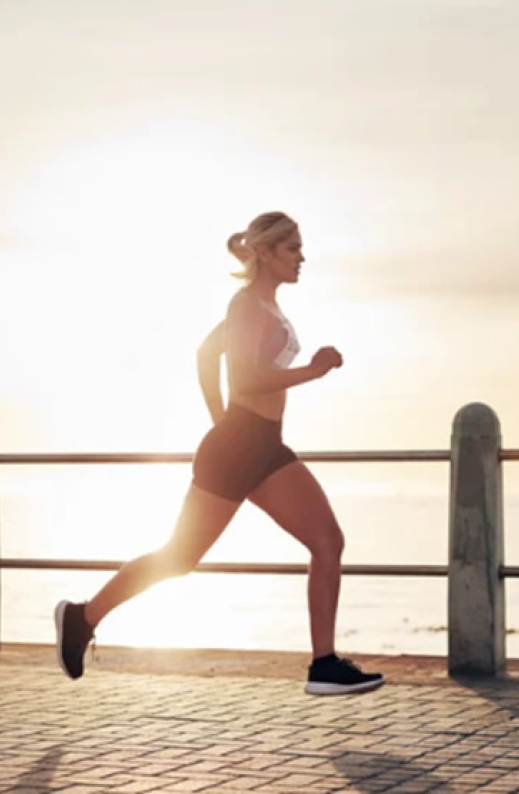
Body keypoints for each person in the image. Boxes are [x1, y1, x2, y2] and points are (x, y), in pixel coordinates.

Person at [54, 211, 384, 696]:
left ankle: (323, 665)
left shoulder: (263, 307)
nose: (302, 257)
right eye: (292, 248)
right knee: (178, 558)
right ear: (267, 253)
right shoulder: (245, 305)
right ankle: (82, 618)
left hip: (263, 445)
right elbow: (246, 379)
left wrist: (222, 422)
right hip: (239, 447)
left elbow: (207, 356)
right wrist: (308, 373)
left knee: (327, 541)